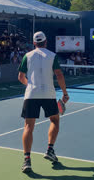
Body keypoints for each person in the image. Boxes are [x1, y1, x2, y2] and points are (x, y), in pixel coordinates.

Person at [18, 31, 69, 173]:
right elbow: (59, 74)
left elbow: (21, 76)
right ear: (46, 42)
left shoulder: (27, 56)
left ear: (34, 43)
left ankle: (27, 160)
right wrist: (65, 93)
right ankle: (50, 149)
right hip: (48, 93)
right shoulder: (52, 56)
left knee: (28, 126)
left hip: (31, 94)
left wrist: (30, 85)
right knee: (55, 120)